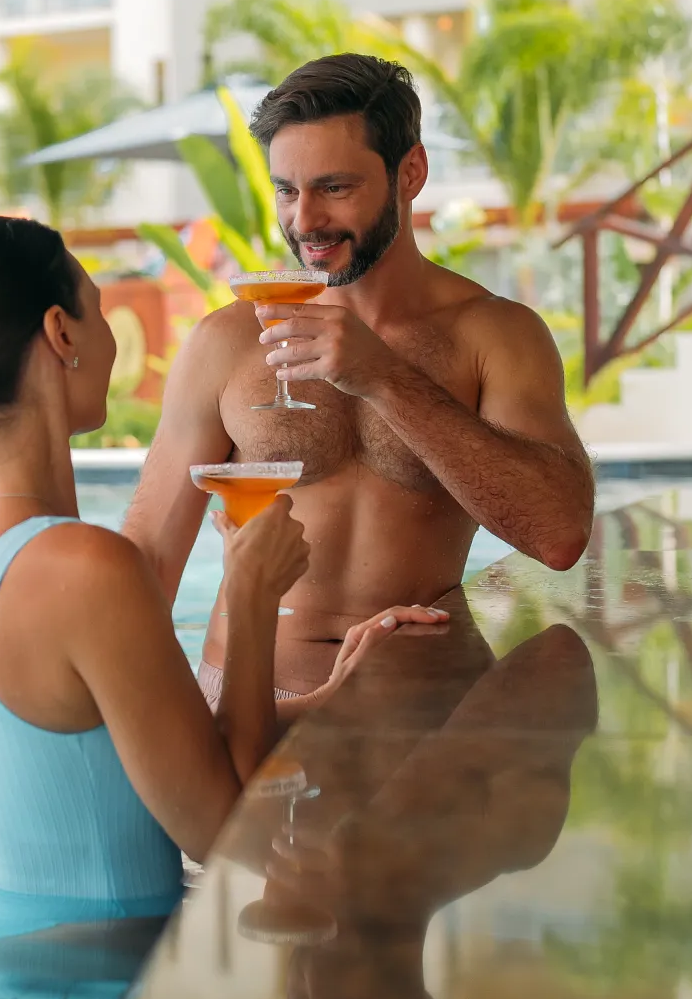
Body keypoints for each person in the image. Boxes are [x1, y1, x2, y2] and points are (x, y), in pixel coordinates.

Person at [0, 214, 438, 917]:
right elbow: (233, 835)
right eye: (99, 310)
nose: (109, 335)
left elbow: (95, 758)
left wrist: (332, 696)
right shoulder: (89, 568)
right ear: (61, 333)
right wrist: (250, 594)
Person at [124, 53, 595, 719]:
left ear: (411, 173)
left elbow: (559, 535)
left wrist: (384, 377)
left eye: (334, 187)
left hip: (417, 716)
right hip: (246, 709)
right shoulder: (226, 342)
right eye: (287, 190)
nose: (304, 219)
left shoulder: (494, 336)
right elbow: (145, 569)